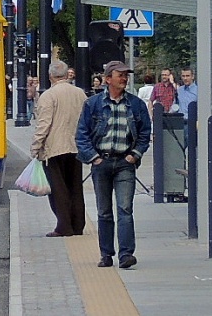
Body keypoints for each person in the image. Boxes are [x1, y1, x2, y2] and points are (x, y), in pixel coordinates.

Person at [76, 60, 151, 270]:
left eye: (126, 75)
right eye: (120, 75)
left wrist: (134, 155)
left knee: (125, 209)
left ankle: (126, 254)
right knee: (104, 211)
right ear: (108, 79)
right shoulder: (93, 104)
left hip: (125, 162)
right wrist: (94, 157)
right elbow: (81, 134)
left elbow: (145, 132)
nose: (125, 79)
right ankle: (106, 254)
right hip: (102, 162)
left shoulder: (136, 104)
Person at [31, 60, 87, 237]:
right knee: (76, 187)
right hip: (76, 147)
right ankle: (78, 225)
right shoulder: (80, 94)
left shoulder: (48, 96)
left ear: (50, 76)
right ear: (66, 74)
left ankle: (64, 227)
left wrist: (35, 147)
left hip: (54, 148)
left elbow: (44, 124)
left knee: (58, 189)